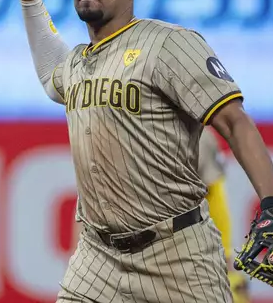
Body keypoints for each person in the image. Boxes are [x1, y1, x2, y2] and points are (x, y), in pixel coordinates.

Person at [18, 0, 273, 303]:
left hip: (176, 256)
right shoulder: (78, 62)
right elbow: (50, 74)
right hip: (97, 257)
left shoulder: (169, 44)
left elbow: (235, 122)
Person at [68, 127, 251, 302]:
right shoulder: (107, 127)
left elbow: (213, 201)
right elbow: (91, 199)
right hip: (108, 260)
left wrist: (226, 264)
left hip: (176, 261)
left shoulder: (195, 133)